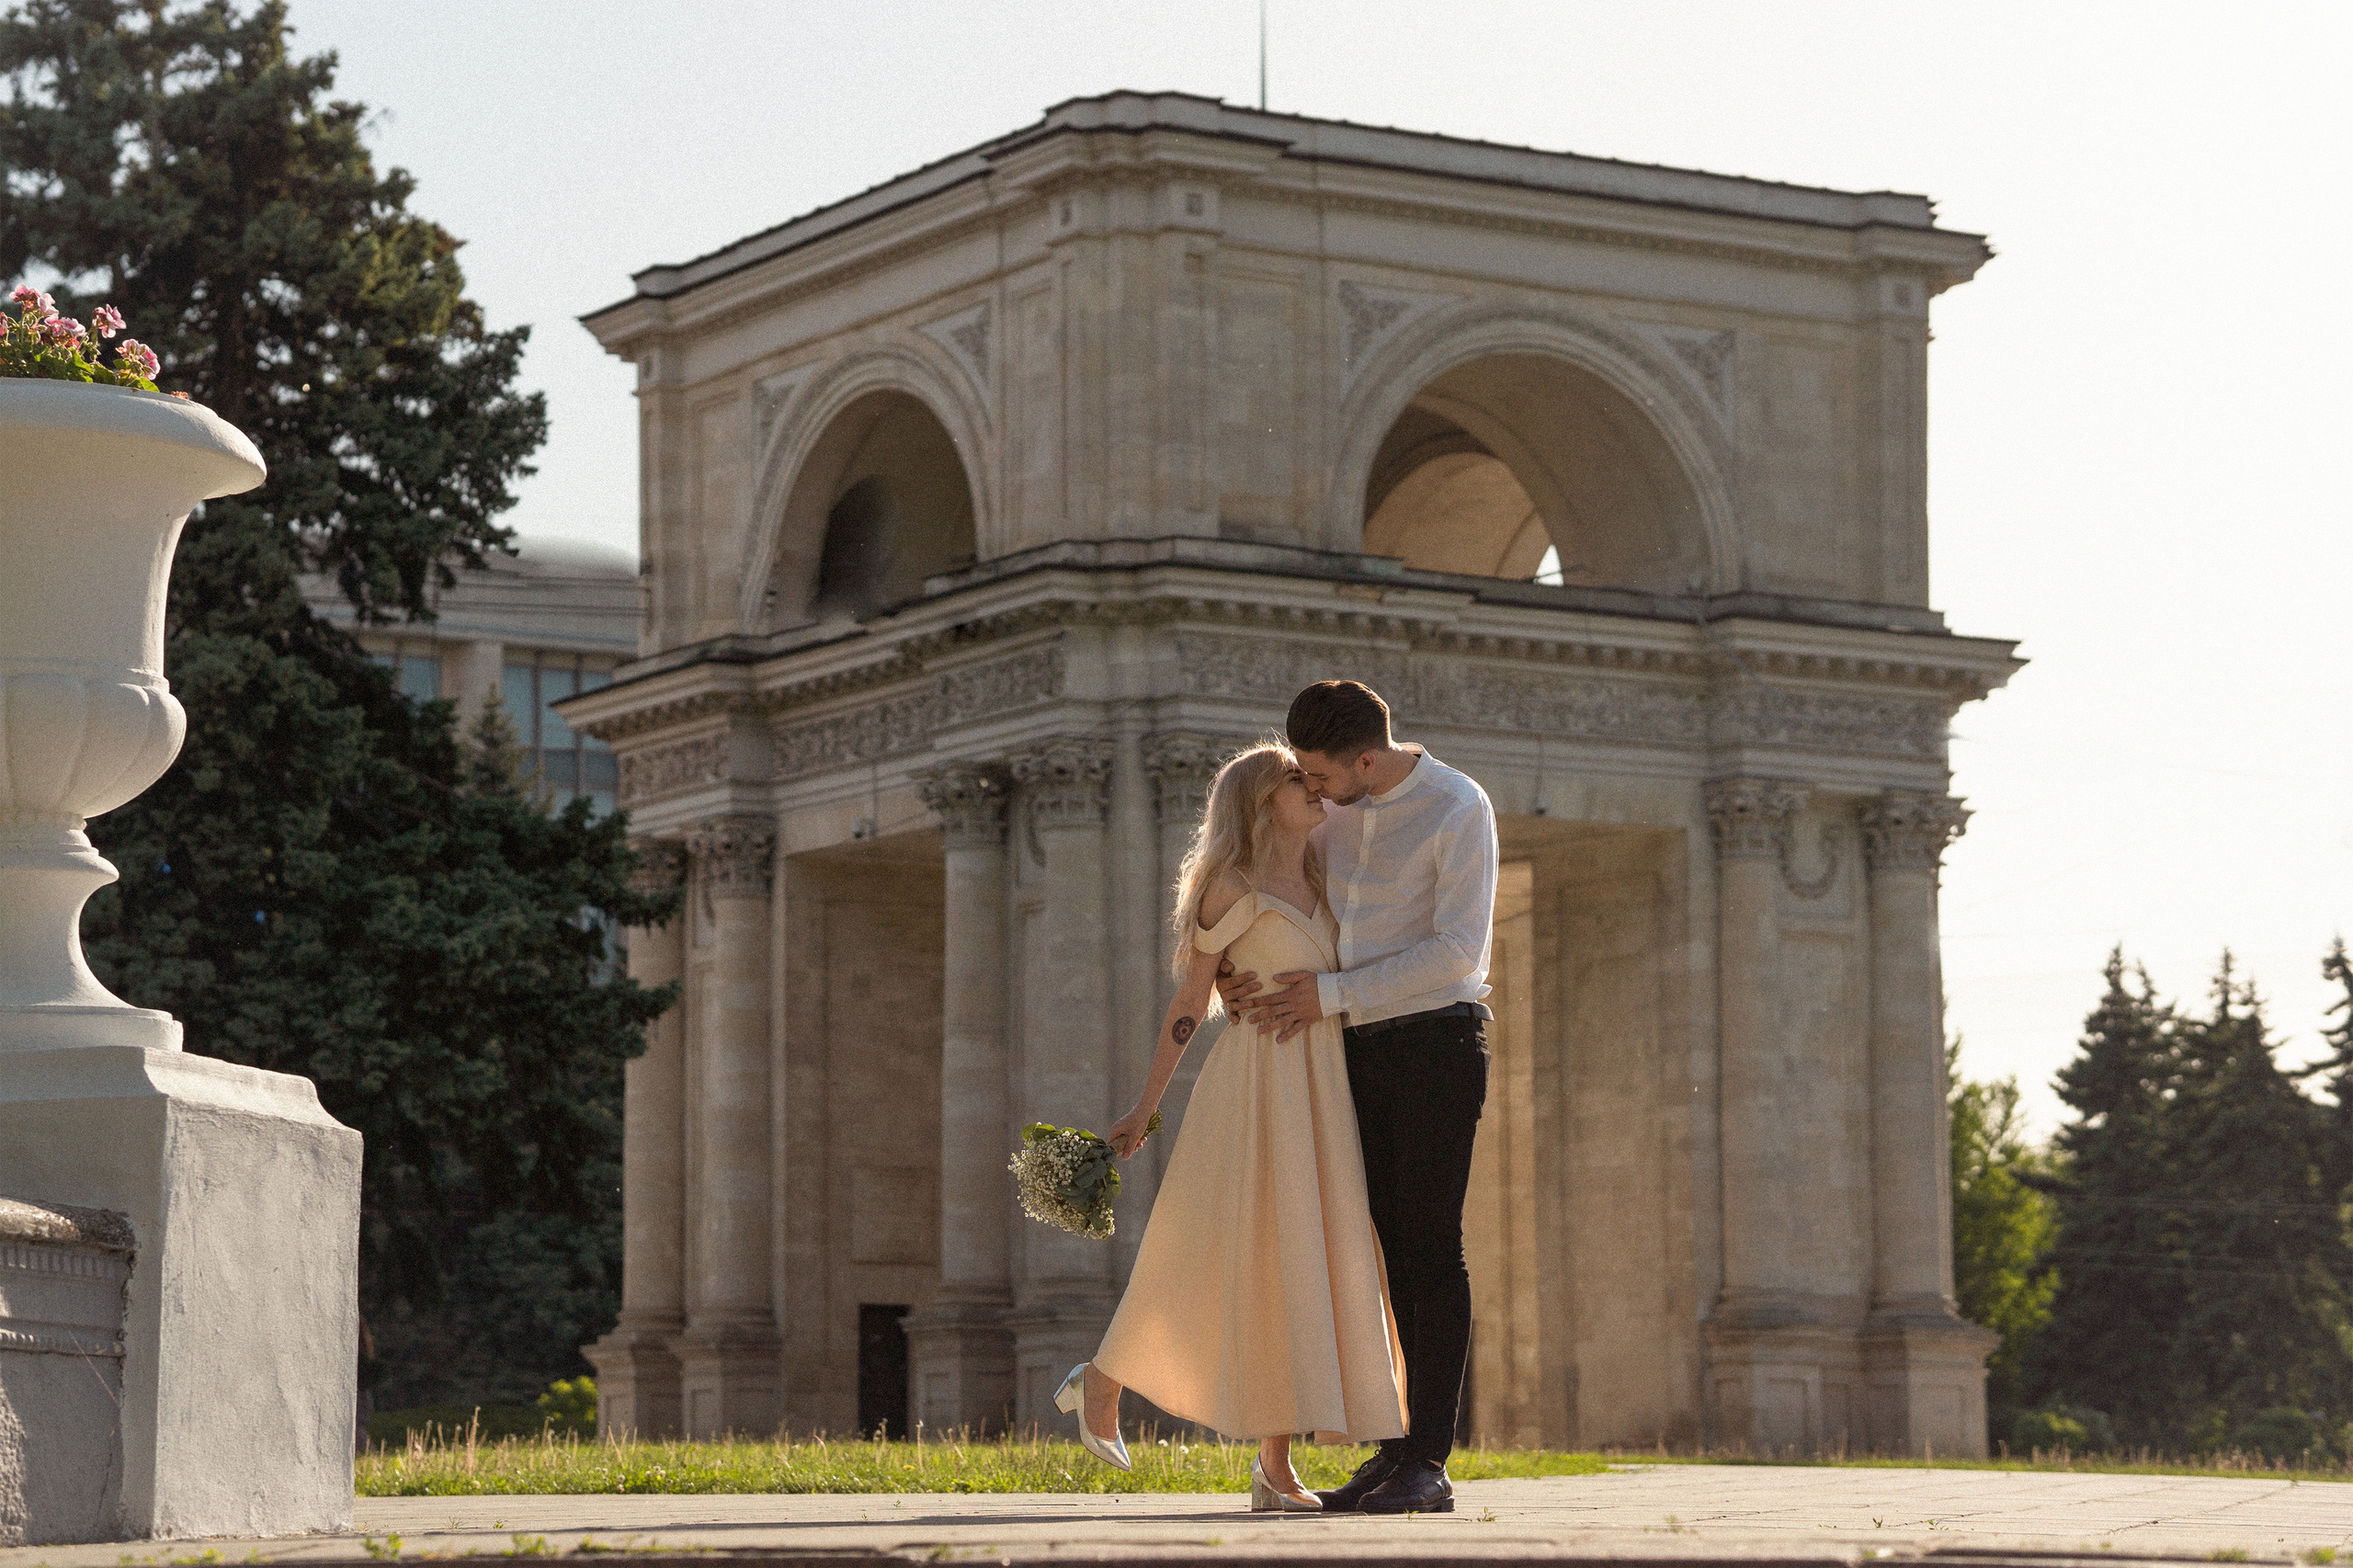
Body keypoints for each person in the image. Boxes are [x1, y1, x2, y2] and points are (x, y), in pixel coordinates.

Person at [1052, 742, 1406, 1513]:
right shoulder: (1228, 885)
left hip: (1323, 1087)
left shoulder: (1323, 873)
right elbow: (1191, 1003)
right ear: (1256, 800)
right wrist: (1143, 1109)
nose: (1314, 790)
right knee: (1237, 1251)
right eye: (1295, 780)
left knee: (1301, 1262)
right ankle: (1105, 1380)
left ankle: (1272, 1470)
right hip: (1256, 1085)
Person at [1221, 679, 1498, 1516]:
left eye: (1319, 774)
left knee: (1430, 1247)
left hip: (1437, 1043)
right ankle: (1392, 1449)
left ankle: (1430, 1461)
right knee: (1378, 1249)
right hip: (1351, 1050)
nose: (1310, 789)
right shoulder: (1329, 812)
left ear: (1365, 760)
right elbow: (1280, 894)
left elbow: (1458, 948)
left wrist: (1330, 995)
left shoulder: (1458, 807)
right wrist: (1236, 975)